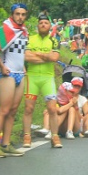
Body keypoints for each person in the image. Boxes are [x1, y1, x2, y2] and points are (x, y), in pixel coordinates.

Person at [0, 3, 29, 158]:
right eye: (17, 14)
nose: (20, 17)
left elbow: (22, 52)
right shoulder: (5, 29)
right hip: (8, 73)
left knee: (12, 111)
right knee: (4, 110)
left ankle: (6, 143)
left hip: (20, 72)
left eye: (23, 14)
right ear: (12, 14)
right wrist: (1, 65)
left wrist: (23, 66)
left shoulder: (24, 31)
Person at [22, 13, 60, 148]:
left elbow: (55, 57)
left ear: (50, 26)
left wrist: (37, 54)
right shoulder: (30, 38)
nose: (43, 25)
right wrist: (46, 56)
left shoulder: (54, 40)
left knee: (52, 108)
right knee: (28, 108)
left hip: (47, 78)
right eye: (41, 23)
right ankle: (27, 136)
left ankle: (55, 136)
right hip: (31, 77)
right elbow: (26, 57)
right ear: (38, 26)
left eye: (46, 23)